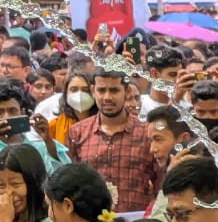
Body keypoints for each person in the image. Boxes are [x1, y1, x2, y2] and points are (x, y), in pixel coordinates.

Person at [65, 71, 159, 212]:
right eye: (101, 90)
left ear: (126, 91)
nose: (107, 97)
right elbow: (69, 183)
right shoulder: (77, 132)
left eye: (114, 90)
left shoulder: (147, 133)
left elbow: (160, 184)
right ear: (93, 91)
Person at [0, 78, 67, 205]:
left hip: (35, 220)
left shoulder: (40, 147)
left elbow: (63, 181)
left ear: (22, 113)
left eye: (12, 111)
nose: (7, 117)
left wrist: (48, 140)